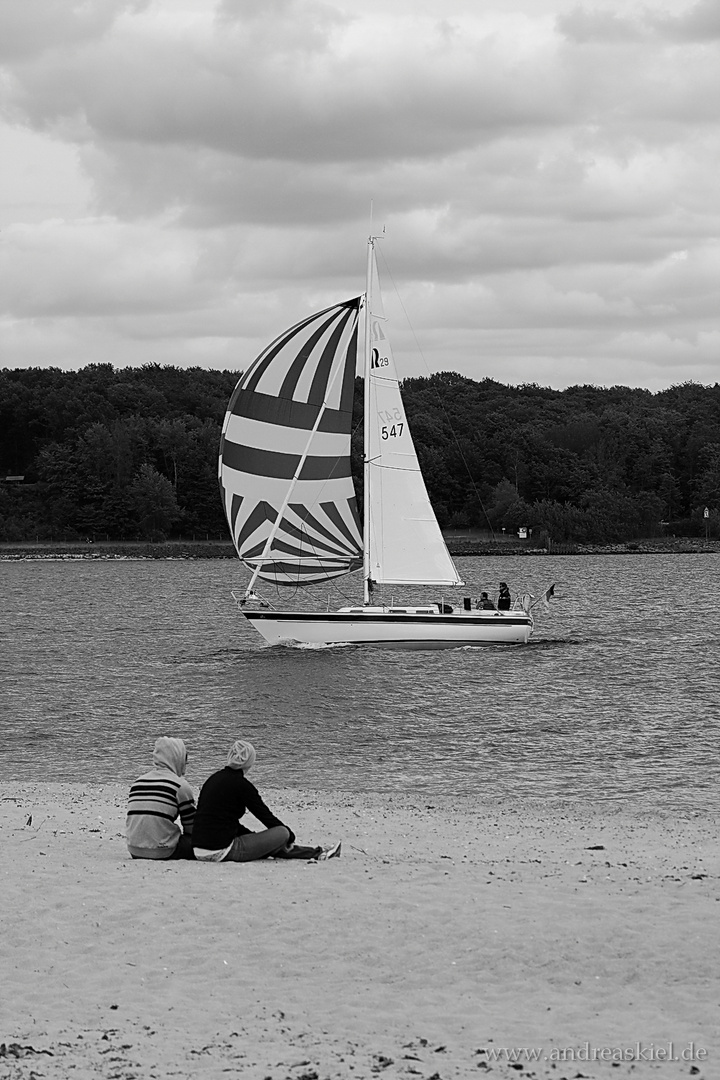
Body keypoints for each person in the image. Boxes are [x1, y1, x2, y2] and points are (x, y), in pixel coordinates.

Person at [192, 740, 336, 863]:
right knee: (281, 833)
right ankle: (318, 853)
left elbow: (219, 819)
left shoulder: (212, 779)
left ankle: (315, 852)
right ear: (249, 762)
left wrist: (252, 836)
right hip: (220, 850)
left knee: (268, 842)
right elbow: (265, 816)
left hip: (198, 849)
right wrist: (289, 834)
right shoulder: (242, 785)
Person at [126, 736, 196, 860]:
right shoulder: (179, 785)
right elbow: (192, 828)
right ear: (176, 758)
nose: (187, 763)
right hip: (163, 851)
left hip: (134, 849)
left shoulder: (138, 782)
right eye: (184, 758)